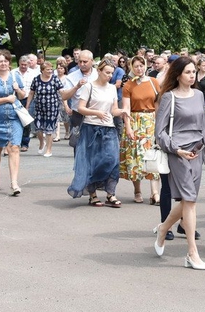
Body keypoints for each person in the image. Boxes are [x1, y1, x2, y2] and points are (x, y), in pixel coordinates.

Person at [152, 57, 205, 270]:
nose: (192, 76)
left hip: (197, 151)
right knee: (190, 201)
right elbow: (159, 132)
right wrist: (176, 149)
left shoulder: (199, 95)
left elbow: (204, 125)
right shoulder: (169, 97)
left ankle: (163, 229)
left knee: (189, 199)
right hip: (178, 153)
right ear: (178, 74)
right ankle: (192, 252)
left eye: (193, 72)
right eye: (187, 72)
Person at [67, 58, 128, 207]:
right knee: (93, 162)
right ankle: (93, 194)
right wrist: (96, 113)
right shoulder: (89, 87)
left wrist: (122, 111)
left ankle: (110, 193)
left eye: (111, 73)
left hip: (108, 128)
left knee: (113, 160)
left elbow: (113, 110)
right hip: (91, 128)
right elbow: (80, 108)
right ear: (99, 71)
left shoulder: (112, 88)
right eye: (107, 72)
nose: (109, 76)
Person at [0, 49, 28, 196]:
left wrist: (17, 90)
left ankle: (14, 182)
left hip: (14, 117)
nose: (3, 63)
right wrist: (6, 99)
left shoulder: (15, 76)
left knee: (14, 147)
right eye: (0, 61)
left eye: (6, 61)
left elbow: (22, 95)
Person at [121, 56, 161, 205]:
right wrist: (128, 127)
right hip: (135, 120)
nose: (139, 68)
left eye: (141, 65)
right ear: (132, 68)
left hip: (150, 120)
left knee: (153, 156)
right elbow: (126, 108)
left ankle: (155, 193)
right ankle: (137, 190)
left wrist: (159, 125)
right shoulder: (129, 85)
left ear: (145, 66)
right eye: (136, 66)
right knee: (136, 157)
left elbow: (158, 105)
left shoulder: (154, 82)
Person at [28, 60, 64, 157]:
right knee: (38, 128)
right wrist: (27, 105)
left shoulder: (55, 79)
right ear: (42, 70)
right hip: (39, 108)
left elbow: (62, 92)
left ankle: (49, 149)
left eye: (51, 69)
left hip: (52, 108)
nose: (50, 71)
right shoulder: (36, 79)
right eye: (48, 70)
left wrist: (65, 104)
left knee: (50, 129)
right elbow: (31, 92)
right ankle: (41, 142)